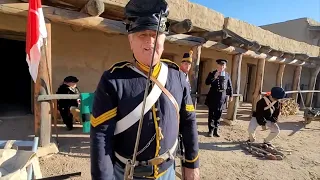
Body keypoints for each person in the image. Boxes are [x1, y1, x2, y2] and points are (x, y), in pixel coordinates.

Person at [90, 0, 200, 180]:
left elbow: (188, 122)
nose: (150, 42)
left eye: (155, 34)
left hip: (167, 172)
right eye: (142, 35)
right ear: (130, 41)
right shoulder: (113, 80)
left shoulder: (178, 77)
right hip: (126, 174)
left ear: (164, 40)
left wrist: (192, 164)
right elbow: (101, 136)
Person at [205, 59, 233, 137]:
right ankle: (210, 130)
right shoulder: (212, 73)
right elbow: (207, 82)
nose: (221, 67)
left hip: (222, 96)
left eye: (223, 66)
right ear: (217, 66)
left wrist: (231, 95)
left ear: (225, 67)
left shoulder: (227, 75)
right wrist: (215, 76)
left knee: (219, 114)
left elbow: (229, 85)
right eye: (220, 65)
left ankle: (216, 130)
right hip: (213, 95)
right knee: (212, 114)